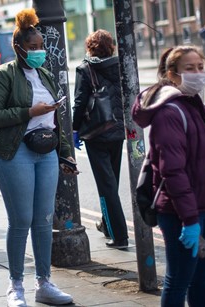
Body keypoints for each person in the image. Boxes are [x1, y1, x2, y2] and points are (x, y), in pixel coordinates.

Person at [0, 8, 75, 307]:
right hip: (14, 151)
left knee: (44, 220)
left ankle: (44, 283)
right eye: (32, 48)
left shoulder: (45, 74)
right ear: (19, 47)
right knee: (21, 220)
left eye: (40, 47)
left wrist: (65, 156)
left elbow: (56, 120)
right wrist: (28, 112)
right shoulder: (2, 75)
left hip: (45, 152)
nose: (38, 52)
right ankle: (15, 285)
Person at [132, 45, 205, 306]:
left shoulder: (194, 104)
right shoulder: (170, 112)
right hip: (181, 214)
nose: (198, 73)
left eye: (200, 67)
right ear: (172, 75)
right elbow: (173, 171)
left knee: (201, 278)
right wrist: (190, 219)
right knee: (179, 279)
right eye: (189, 68)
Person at [72, 29, 128, 249]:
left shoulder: (85, 69)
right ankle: (107, 225)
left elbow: (79, 102)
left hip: (96, 133)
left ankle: (119, 236)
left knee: (106, 187)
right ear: (111, 46)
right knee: (112, 181)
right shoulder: (121, 65)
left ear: (90, 47)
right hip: (118, 131)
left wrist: (74, 130)